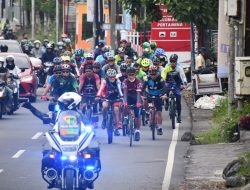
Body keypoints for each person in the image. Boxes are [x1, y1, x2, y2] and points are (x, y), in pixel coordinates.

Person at [141, 65, 167, 135]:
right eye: (151, 74)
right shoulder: (147, 79)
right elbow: (142, 88)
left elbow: (164, 87)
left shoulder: (160, 79)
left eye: (154, 74)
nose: (153, 76)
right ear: (149, 73)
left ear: (157, 73)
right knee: (146, 102)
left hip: (158, 97)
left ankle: (160, 128)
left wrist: (164, 95)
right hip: (149, 96)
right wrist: (141, 95)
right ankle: (147, 112)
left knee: (159, 112)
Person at [161, 54, 187, 123]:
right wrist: (162, 81)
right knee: (165, 89)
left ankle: (179, 116)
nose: (173, 63)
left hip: (177, 84)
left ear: (176, 61)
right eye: (171, 61)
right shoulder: (166, 67)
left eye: (174, 61)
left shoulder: (179, 68)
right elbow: (163, 76)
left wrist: (184, 83)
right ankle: (166, 102)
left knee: (178, 98)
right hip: (168, 83)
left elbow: (183, 76)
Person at [96, 69, 123, 135]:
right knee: (104, 106)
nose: (112, 78)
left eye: (113, 76)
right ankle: (104, 120)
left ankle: (116, 128)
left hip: (116, 98)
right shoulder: (105, 81)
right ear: (107, 76)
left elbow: (119, 90)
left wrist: (122, 96)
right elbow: (101, 89)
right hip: (107, 97)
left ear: (115, 76)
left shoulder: (118, 81)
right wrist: (98, 95)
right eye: (110, 77)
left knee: (116, 110)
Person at [122, 67, 142, 141]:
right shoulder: (125, 81)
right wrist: (125, 102)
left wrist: (138, 102)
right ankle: (125, 118)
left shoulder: (138, 81)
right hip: (128, 96)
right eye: (129, 75)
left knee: (137, 115)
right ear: (127, 75)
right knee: (124, 105)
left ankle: (137, 131)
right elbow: (125, 92)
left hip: (136, 96)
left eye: (132, 74)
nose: (131, 76)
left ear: (135, 74)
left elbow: (138, 93)